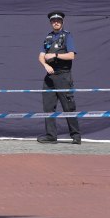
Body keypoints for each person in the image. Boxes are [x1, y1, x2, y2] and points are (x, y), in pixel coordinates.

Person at [37, 11, 81, 144]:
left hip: (63, 75)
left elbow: (71, 55)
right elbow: (41, 56)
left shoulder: (67, 36)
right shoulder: (48, 37)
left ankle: (76, 136)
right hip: (50, 76)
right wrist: (45, 65)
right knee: (48, 107)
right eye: (53, 21)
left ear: (62, 22)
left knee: (68, 107)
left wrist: (55, 56)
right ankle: (51, 135)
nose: (56, 22)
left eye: (58, 20)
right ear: (51, 22)